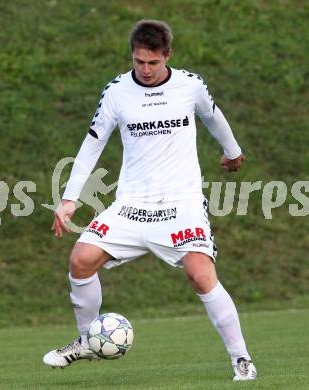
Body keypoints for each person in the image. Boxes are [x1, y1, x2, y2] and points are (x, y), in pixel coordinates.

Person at [43, 20, 257, 381]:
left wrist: (232, 152)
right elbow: (92, 144)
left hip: (181, 203)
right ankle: (86, 341)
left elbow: (212, 115)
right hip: (131, 205)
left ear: (167, 56)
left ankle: (242, 360)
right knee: (80, 261)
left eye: (152, 63)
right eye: (139, 62)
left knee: (200, 274)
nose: (144, 69)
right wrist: (69, 199)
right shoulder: (116, 92)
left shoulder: (190, 85)